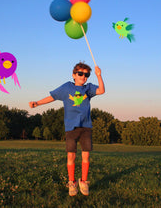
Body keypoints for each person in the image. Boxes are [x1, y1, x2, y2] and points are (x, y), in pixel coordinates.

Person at [29, 62, 105, 196]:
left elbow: (101, 90)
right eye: (80, 74)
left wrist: (99, 76)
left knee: (86, 155)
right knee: (71, 155)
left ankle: (84, 181)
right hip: (71, 127)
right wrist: (37, 103)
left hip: (86, 126)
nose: (83, 76)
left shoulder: (88, 88)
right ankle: (72, 182)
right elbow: (52, 97)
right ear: (74, 75)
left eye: (86, 75)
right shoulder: (66, 87)